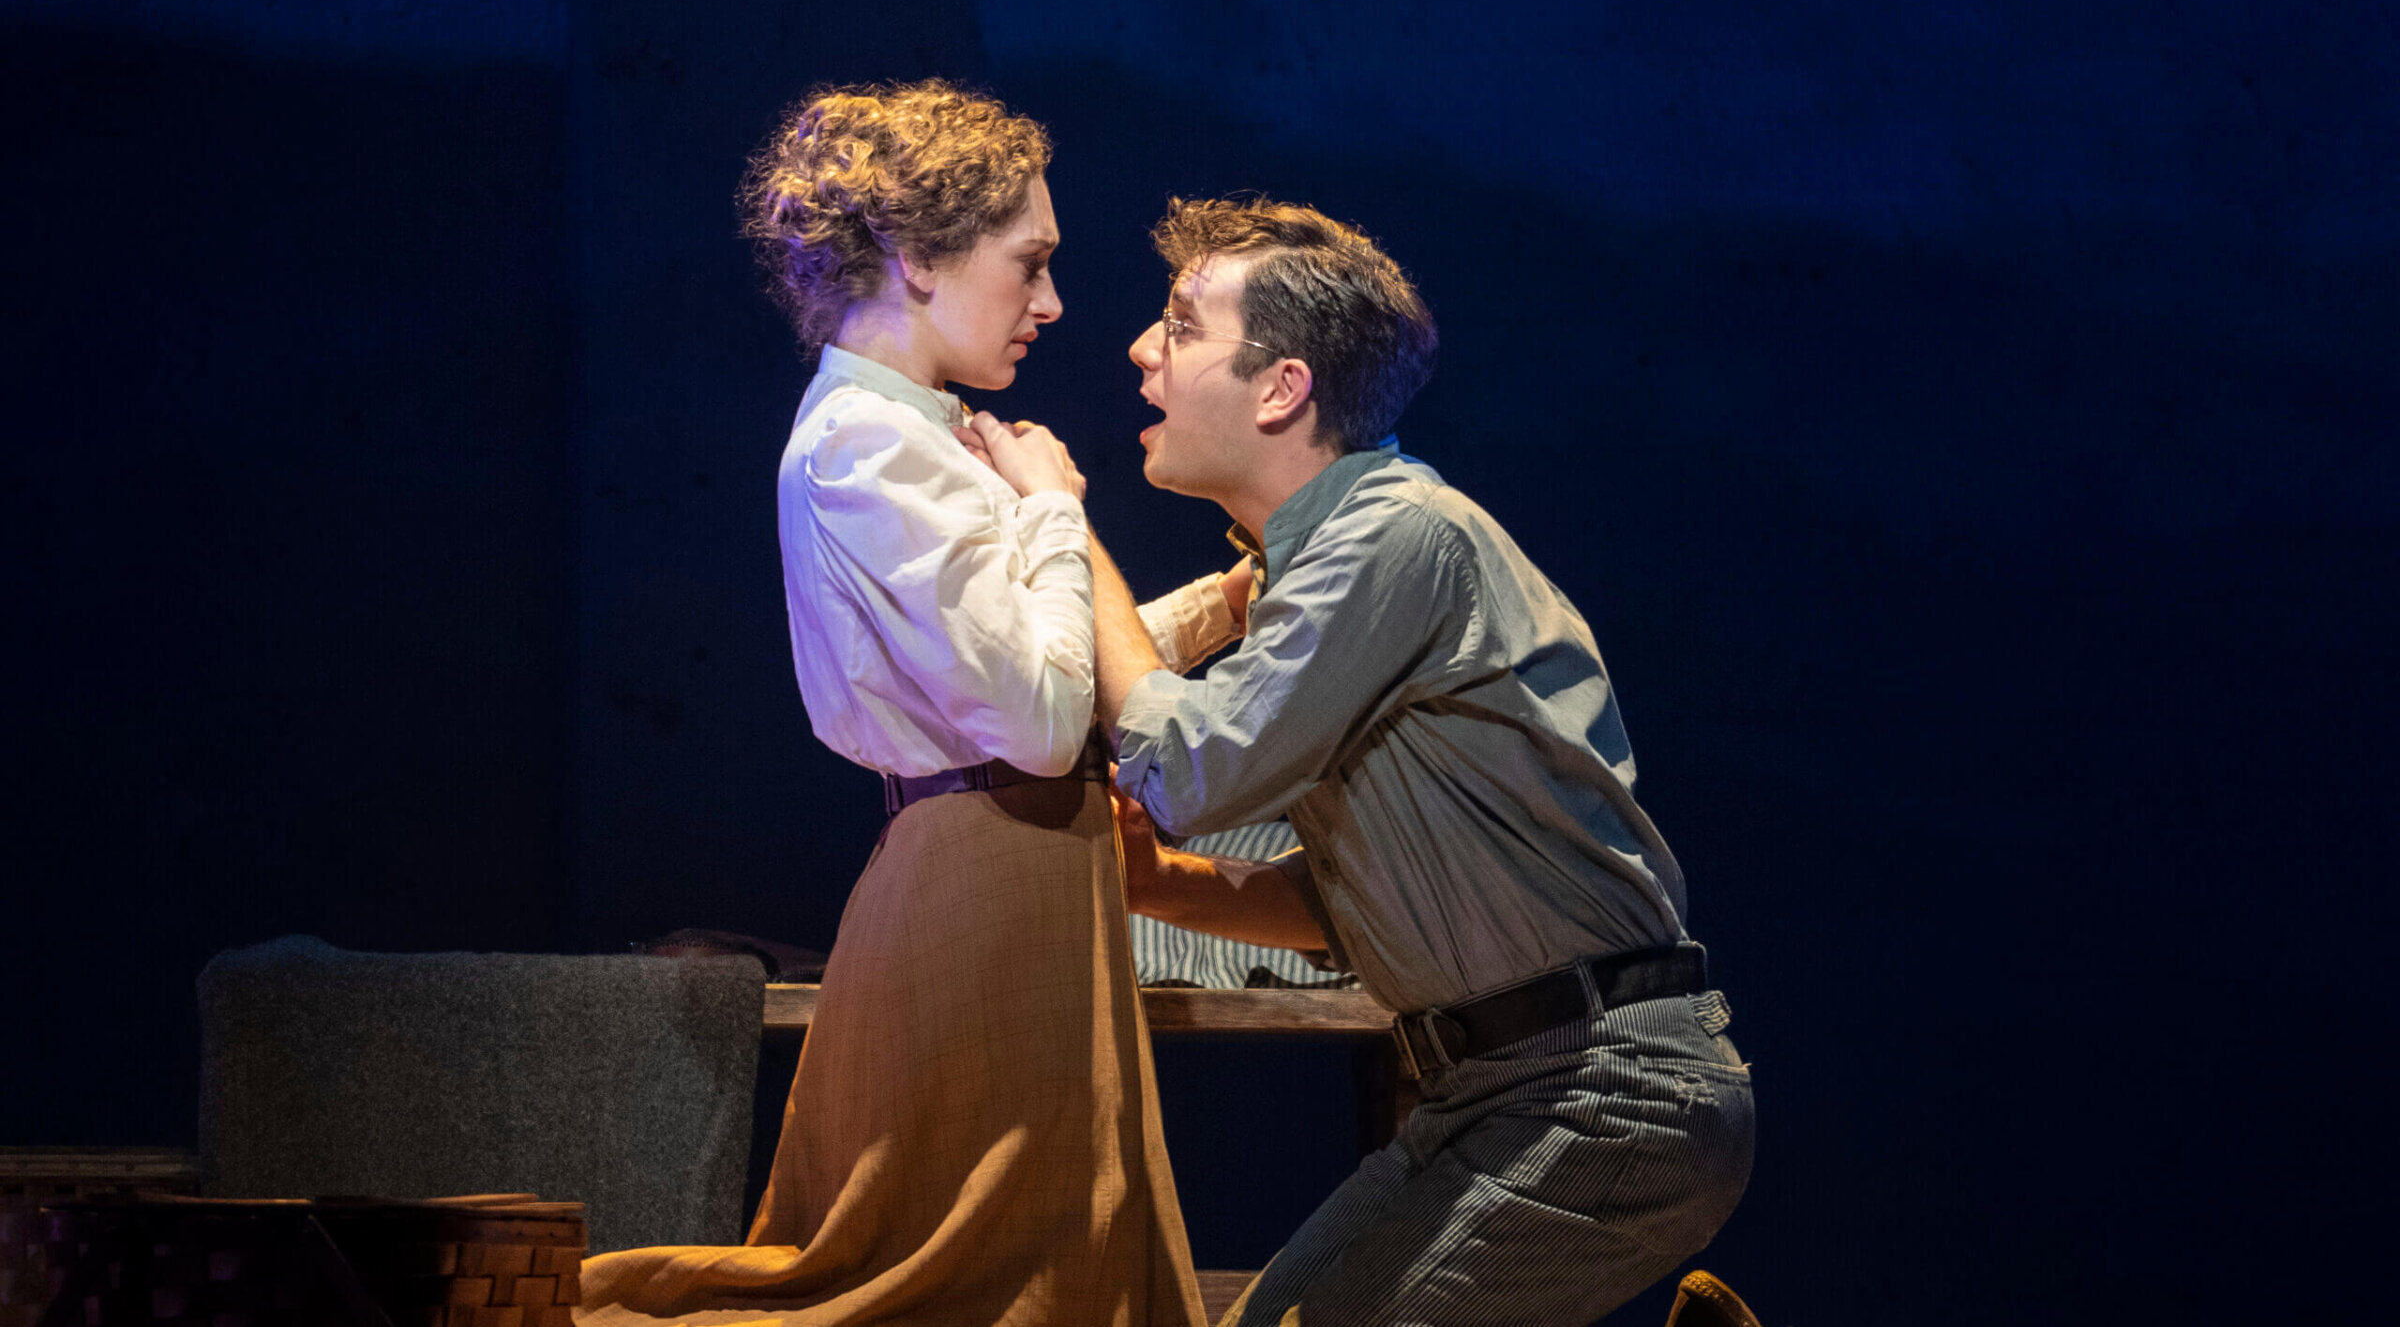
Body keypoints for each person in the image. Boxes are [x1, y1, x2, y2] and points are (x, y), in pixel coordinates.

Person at [579, 81, 1233, 1327]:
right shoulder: (865, 450)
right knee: (961, 1280)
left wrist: (1228, 601)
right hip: (984, 871)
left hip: (1029, 865)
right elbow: (1041, 719)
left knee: (1061, 1259)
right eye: (1028, 263)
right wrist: (1053, 506)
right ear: (921, 257)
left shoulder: (923, 439)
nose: (1052, 304)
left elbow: (1053, 668)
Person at [1087, 198, 1757, 1326]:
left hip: (1602, 1092)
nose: (1143, 349)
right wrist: (1165, 887)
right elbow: (1366, 911)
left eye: (1181, 325)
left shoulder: (1397, 534)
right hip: (1493, 1091)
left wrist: (1071, 544)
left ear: (1281, 387)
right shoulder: (1328, 565)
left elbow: (1194, 769)